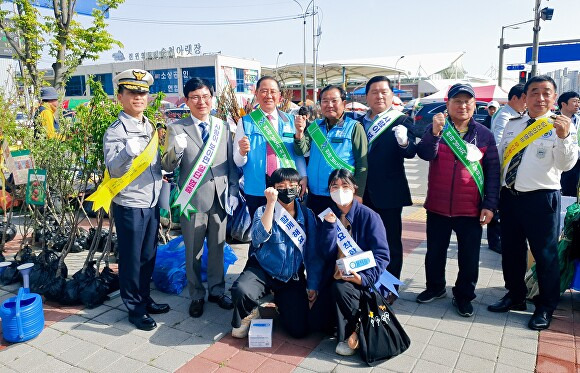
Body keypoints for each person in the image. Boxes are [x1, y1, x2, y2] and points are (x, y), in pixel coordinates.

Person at [488, 76, 578, 330]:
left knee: (545, 255)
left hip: (541, 199)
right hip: (510, 197)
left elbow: (566, 165)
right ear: (524, 98)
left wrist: (562, 138)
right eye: (534, 93)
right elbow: (504, 160)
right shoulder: (513, 124)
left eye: (546, 93)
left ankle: (545, 307)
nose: (540, 98)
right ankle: (515, 295)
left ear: (554, 98)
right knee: (512, 252)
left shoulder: (562, 126)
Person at [416, 83, 500, 317]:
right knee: (434, 252)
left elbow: (493, 171)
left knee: (469, 256)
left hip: (470, 208)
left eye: (467, 101)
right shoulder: (437, 129)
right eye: (457, 101)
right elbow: (424, 154)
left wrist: (490, 204)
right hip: (438, 206)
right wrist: (433, 133)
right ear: (448, 105)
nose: (462, 106)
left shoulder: (484, 135)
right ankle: (435, 287)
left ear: (474, 105)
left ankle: (464, 296)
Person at [162, 77, 239, 318]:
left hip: (220, 196)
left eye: (205, 96)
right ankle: (196, 295)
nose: (201, 101)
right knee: (193, 250)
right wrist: (177, 150)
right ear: (187, 100)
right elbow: (167, 164)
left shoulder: (223, 127)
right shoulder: (176, 128)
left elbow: (232, 163)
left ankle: (217, 290)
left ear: (212, 98)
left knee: (217, 247)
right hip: (192, 199)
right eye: (195, 97)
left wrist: (234, 191)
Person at [104, 69, 169, 331]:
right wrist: (127, 153)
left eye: (142, 92)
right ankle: (134, 308)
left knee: (147, 256)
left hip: (151, 201)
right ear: (120, 97)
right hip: (130, 203)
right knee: (131, 259)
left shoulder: (149, 125)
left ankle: (144, 297)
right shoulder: (116, 131)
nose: (138, 97)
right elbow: (115, 169)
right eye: (132, 92)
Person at [347, 76, 416, 304]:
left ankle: (389, 287)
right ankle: (367, 281)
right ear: (366, 96)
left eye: (384, 92)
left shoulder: (402, 121)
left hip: (389, 194)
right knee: (363, 241)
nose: (379, 96)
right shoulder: (356, 123)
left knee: (390, 244)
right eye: (374, 92)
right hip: (360, 194)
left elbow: (411, 153)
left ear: (391, 95)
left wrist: (404, 143)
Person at [230, 168, 317, 339]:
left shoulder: (307, 215)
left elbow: (313, 253)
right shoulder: (263, 210)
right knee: (241, 290)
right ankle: (249, 312)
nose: (288, 189)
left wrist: (312, 284)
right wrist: (270, 204)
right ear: (274, 189)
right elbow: (257, 239)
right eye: (281, 186)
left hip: (290, 277)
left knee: (299, 330)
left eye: (292, 185)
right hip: (262, 270)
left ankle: (282, 304)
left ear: (299, 188)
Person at [312, 169, 390, 356]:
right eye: (335, 187)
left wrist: (362, 279)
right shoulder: (329, 216)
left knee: (340, 288)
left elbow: (382, 255)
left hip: (361, 281)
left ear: (354, 188)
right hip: (335, 276)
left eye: (345, 186)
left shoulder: (369, 216)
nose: (340, 190)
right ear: (329, 190)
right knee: (314, 325)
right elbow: (324, 253)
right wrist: (330, 228)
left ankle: (357, 329)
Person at [233, 76, 307, 219]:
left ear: (280, 96)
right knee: (260, 230)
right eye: (264, 91)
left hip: (287, 187)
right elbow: (237, 161)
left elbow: (298, 153)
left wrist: (304, 176)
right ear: (256, 94)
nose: (268, 95)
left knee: (288, 229)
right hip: (257, 187)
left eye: (273, 91)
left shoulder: (291, 121)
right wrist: (242, 151)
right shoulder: (245, 122)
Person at [294, 85, 368, 215]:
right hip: (314, 194)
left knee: (336, 233)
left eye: (334, 100)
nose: (329, 105)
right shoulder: (315, 126)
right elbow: (301, 151)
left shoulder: (354, 127)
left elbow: (362, 165)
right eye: (325, 101)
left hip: (340, 195)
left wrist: (358, 194)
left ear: (343, 103)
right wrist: (299, 133)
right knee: (314, 232)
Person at [487, 84, 526, 255]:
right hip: (501, 166)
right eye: (524, 98)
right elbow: (499, 142)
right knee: (496, 207)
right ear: (515, 98)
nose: (526, 103)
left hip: (509, 167)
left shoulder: (516, 114)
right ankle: (494, 242)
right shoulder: (505, 116)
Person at [557, 91, 580, 196]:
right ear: (563, 104)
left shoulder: (578, 120)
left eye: (579, 102)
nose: (577, 105)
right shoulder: (552, 120)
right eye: (574, 101)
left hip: (576, 162)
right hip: (558, 160)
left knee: (573, 192)